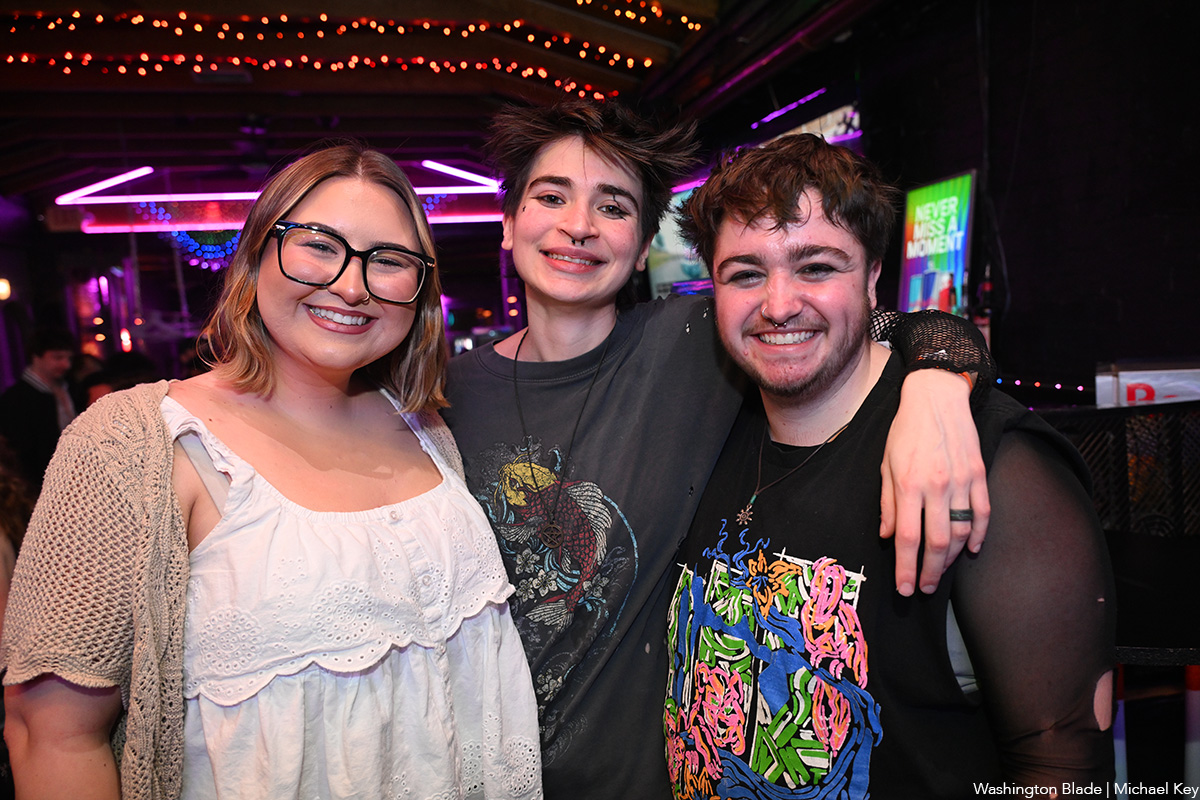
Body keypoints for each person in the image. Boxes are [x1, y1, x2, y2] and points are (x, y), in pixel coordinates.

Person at [441, 100, 995, 797]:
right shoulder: (446, 395)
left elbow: (878, 321)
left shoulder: (695, 339)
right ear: (508, 221)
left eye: (612, 207)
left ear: (643, 243)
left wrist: (938, 386)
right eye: (551, 197)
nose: (579, 225)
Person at [1, 144, 542, 800]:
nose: (351, 286)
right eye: (318, 245)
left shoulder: (425, 427)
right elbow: (52, 735)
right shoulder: (134, 444)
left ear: (420, 289)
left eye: (389, 260)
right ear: (257, 255)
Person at [663, 133, 1115, 797]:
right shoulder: (710, 420)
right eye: (746, 274)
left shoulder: (985, 461)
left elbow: (1062, 765)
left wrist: (940, 376)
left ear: (873, 277)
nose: (779, 304)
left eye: (817, 267)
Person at [0, 329, 77, 491]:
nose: (66, 365)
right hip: (40, 484)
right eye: (57, 357)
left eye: (69, 358)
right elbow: (23, 451)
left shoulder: (71, 387)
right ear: (36, 356)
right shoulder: (16, 398)